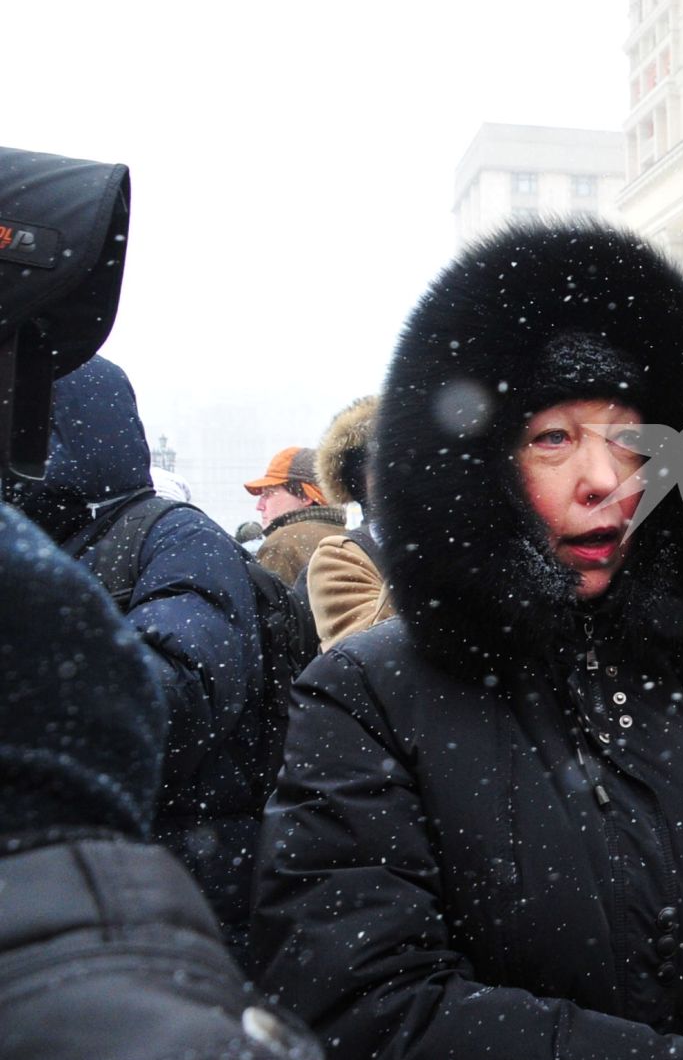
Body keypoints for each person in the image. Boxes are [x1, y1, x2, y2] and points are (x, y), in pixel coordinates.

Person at [252, 221, 683, 1060]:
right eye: (552, 438)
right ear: (477, 466)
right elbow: (365, 1008)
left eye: (633, 440)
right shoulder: (370, 694)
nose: (604, 479)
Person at [0, 504, 332, 1060]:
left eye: (268, 491)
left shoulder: (172, 537)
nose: (258, 504)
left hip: (193, 890)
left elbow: (181, 691)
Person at [5, 356, 277, 955]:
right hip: (67, 895)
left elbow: (180, 694)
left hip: (177, 898)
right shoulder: (45, 544)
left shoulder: (176, 537)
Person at [303, 394, 393, 649]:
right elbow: (370, 658)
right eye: (382, 462)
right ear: (358, 479)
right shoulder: (339, 556)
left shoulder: (477, 537)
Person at [245, 446, 346, 584]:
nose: (259, 506)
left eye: (269, 493)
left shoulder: (281, 543)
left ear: (305, 496)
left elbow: (269, 604)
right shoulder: (352, 539)